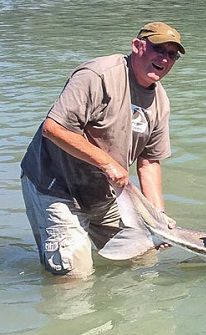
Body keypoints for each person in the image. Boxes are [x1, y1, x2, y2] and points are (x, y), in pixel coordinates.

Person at [20, 21, 185, 278]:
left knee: (144, 257)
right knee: (74, 276)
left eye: (171, 54)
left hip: (103, 193)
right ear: (137, 46)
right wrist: (106, 163)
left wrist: (158, 219)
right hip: (56, 187)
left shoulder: (160, 101)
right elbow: (53, 128)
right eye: (158, 49)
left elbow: (149, 161)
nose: (164, 58)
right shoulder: (98, 76)